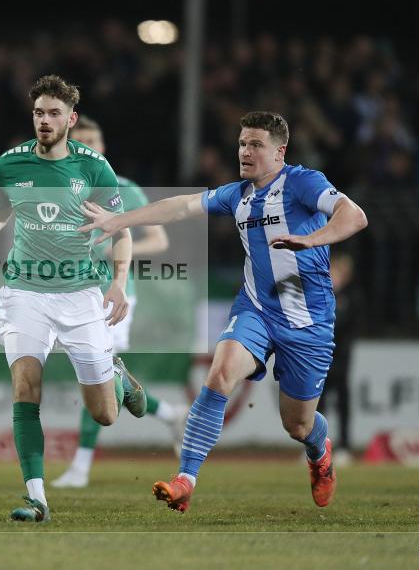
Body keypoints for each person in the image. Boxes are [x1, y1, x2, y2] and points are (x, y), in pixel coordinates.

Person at [82, 111, 368, 512]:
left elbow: (354, 216)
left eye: (255, 145)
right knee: (219, 375)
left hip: (308, 320)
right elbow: (181, 207)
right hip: (256, 307)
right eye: (241, 143)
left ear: (279, 151)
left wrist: (312, 239)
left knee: (298, 424)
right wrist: (119, 220)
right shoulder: (238, 194)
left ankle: (319, 453)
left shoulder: (303, 182)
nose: (245, 152)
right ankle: (185, 479)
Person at [0, 75, 149, 522]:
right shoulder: (8, 165)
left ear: (70, 118)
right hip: (24, 292)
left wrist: (119, 282)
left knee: (105, 414)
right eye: (38, 113)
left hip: (82, 294)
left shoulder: (94, 168)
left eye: (53, 113)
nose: (44, 121)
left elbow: (120, 229)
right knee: (26, 388)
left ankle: (118, 379)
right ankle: (38, 498)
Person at [52, 116, 184, 489]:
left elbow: (158, 241)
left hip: (114, 292)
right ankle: (171, 413)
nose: (89, 146)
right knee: (96, 374)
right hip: (73, 292)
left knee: (95, 373)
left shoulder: (122, 188)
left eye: (94, 139)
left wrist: (114, 248)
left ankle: (80, 468)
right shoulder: (61, 188)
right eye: (81, 140)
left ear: (104, 146)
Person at [315, 250, 363, 466]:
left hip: (341, 358)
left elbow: (346, 326)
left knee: (343, 403)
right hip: (320, 358)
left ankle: (344, 446)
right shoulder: (319, 296)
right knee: (318, 404)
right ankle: (316, 448)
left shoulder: (352, 299)